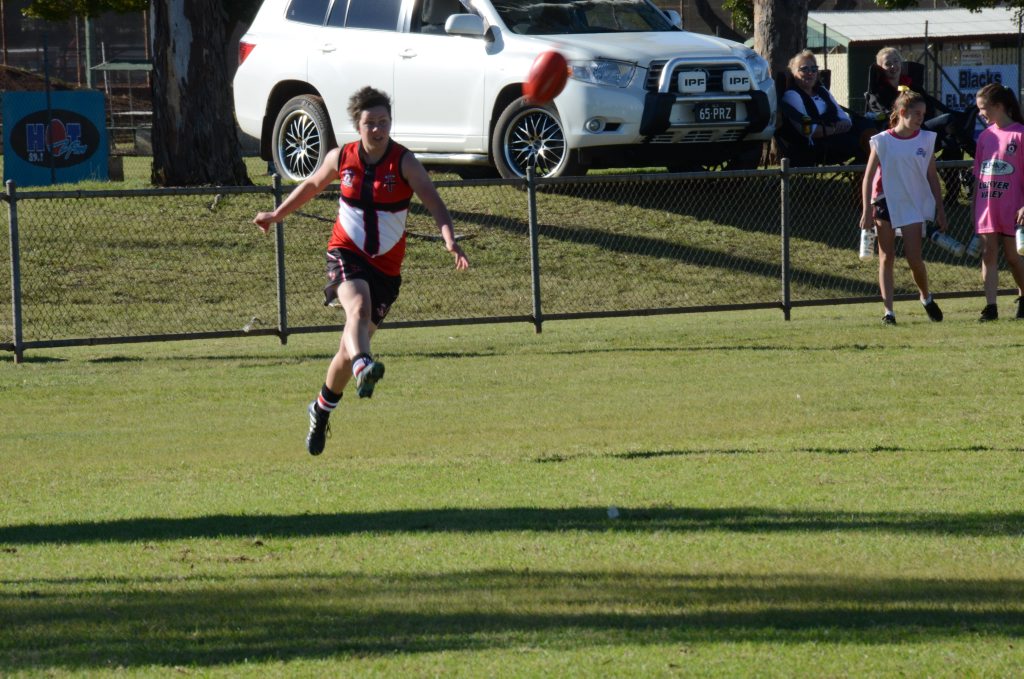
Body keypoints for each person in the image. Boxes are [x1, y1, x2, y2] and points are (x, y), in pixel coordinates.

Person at [253, 86, 470, 455]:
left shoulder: (404, 162)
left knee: (344, 349)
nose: (378, 129)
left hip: (387, 268)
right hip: (346, 252)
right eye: (370, 123)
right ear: (358, 125)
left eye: (384, 122)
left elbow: (434, 202)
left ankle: (320, 410)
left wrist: (448, 238)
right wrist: (277, 214)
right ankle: (363, 367)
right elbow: (310, 185)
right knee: (357, 310)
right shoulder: (343, 157)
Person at [860, 88, 947, 325]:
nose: (921, 118)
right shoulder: (882, 141)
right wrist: (867, 210)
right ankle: (889, 312)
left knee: (914, 258)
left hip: (912, 203)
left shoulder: (926, 140)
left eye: (923, 114)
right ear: (901, 112)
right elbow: (868, 178)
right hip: (885, 201)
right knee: (886, 257)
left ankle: (926, 297)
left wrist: (940, 208)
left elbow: (931, 176)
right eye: (916, 113)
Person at [971, 83, 1024, 322]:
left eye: (983, 108)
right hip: (988, 206)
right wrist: (976, 205)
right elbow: (979, 174)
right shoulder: (984, 137)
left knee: (1013, 258)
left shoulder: (1019, 134)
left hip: (1014, 208)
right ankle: (990, 307)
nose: (981, 114)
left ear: (999, 106)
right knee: (988, 254)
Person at [779, 50, 873, 166]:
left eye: (814, 69)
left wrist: (840, 125)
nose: (810, 73)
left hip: (836, 135)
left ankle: (862, 174)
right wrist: (833, 129)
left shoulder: (822, 91)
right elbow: (809, 131)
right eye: (804, 69)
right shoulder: (792, 96)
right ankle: (865, 176)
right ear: (794, 73)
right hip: (816, 146)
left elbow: (844, 118)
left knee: (869, 132)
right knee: (862, 143)